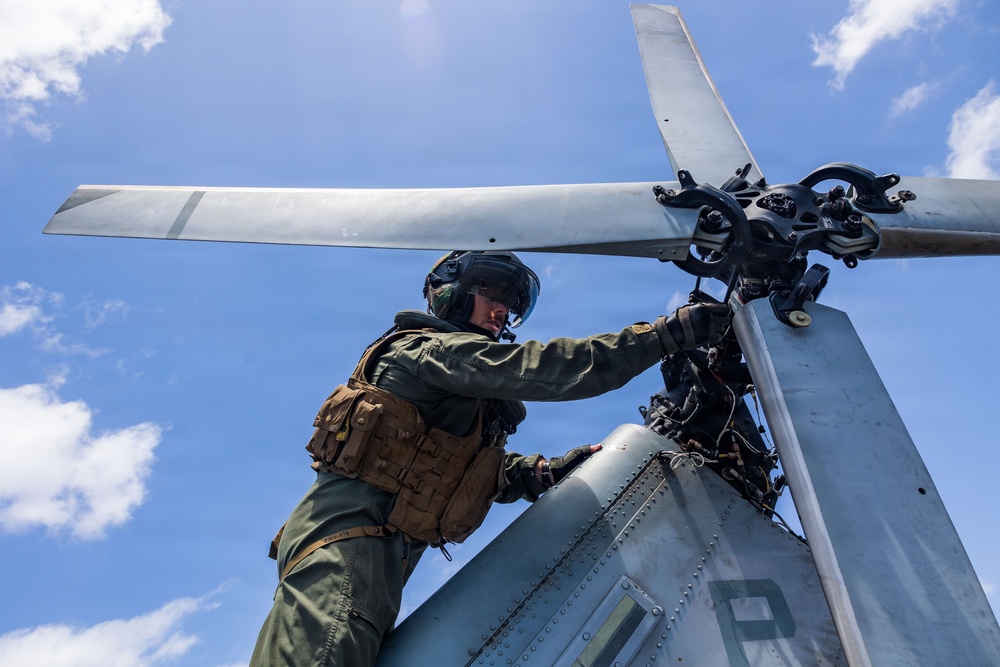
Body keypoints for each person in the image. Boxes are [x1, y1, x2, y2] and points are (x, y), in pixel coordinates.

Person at [249, 250, 729, 667]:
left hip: (383, 552)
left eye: (511, 303)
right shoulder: (427, 352)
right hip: (346, 537)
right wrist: (662, 336)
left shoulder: (458, 391)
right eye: (492, 293)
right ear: (449, 292)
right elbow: (545, 369)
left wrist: (539, 473)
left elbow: (460, 469)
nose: (502, 311)